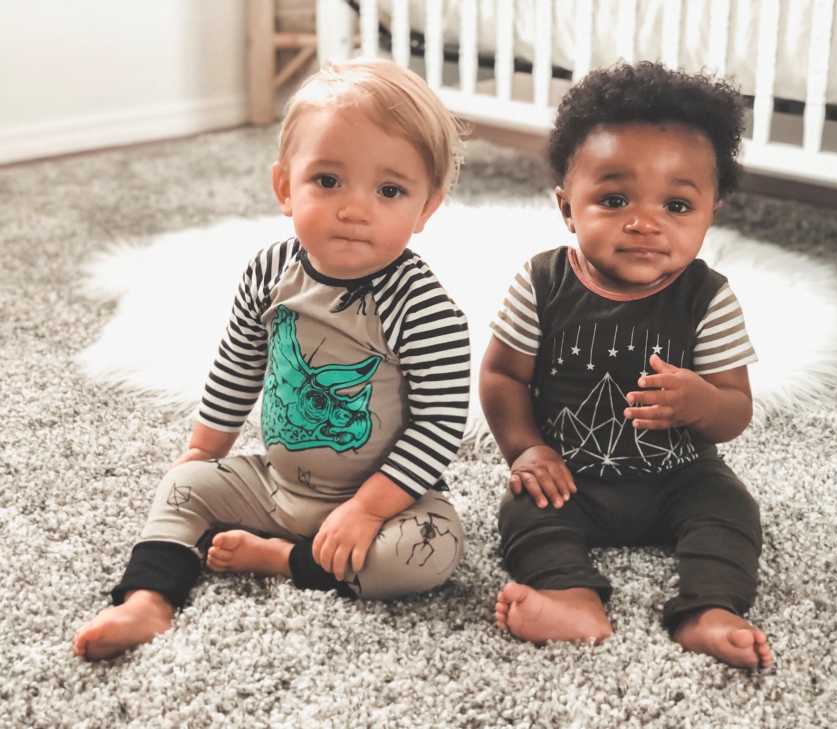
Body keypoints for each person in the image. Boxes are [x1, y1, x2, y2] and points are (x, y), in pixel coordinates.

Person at [73, 58, 470, 661]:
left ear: (426, 209)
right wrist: (203, 452)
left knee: (430, 551)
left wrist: (366, 510)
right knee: (182, 486)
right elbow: (237, 366)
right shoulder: (269, 272)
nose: (355, 208)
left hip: (383, 498)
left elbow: (439, 426)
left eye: (389, 190)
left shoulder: (422, 305)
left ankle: (287, 560)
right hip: (277, 484)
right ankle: (146, 601)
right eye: (328, 181)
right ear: (286, 187)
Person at [483, 62, 774, 669]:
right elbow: (502, 375)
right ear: (567, 208)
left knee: (730, 511)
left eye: (676, 203)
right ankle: (571, 597)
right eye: (614, 200)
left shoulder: (707, 297)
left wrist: (701, 401)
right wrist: (526, 450)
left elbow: (734, 410)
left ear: (710, 213)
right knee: (522, 510)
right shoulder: (542, 283)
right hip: (572, 476)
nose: (645, 223)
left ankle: (709, 610)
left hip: (680, 476)